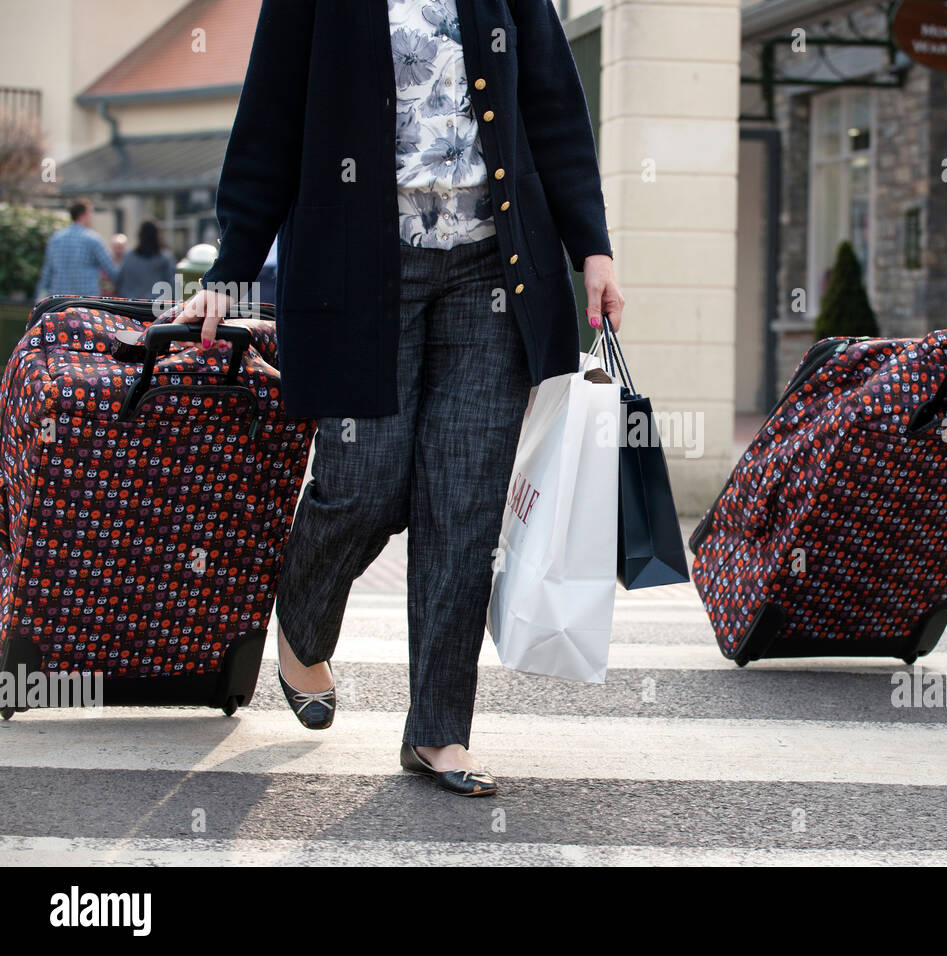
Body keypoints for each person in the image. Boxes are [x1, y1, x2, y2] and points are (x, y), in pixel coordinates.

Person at [173, 0, 624, 795]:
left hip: (493, 271)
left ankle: (439, 734)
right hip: (359, 277)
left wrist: (592, 244)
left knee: (464, 508)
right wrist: (230, 273)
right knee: (363, 485)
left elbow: (553, 103)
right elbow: (268, 127)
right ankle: (303, 620)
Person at [34, 201, 117, 300]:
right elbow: (110, 268)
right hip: (85, 299)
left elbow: (47, 271)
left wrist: (39, 295)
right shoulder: (92, 239)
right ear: (83, 215)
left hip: (59, 299)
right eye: (90, 213)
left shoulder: (56, 238)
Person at [113, 221, 176, 301]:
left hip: (129, 305)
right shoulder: (165, 259)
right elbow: (173, 286)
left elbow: (119, 281)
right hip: (156, 307)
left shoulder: (128, 257)